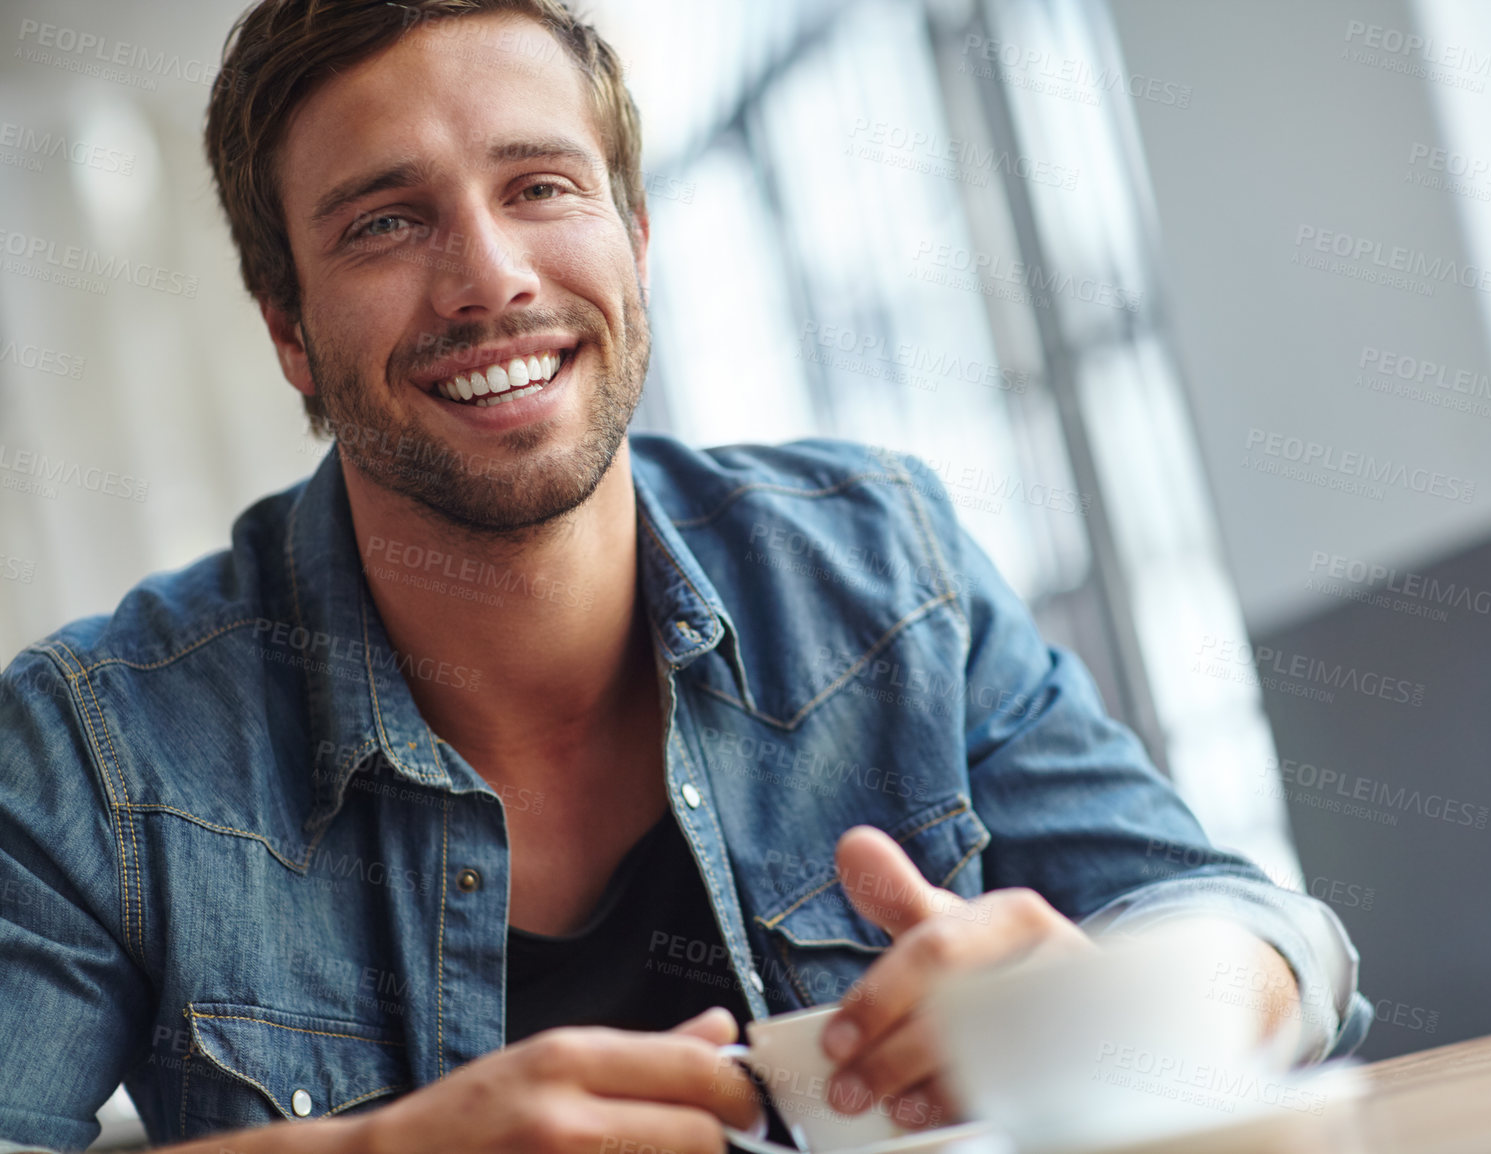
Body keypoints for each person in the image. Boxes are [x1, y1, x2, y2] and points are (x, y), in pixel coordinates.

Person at [0, 1, 1370, 1151]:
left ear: (635, 238)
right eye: (384, 224)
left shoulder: (878, 558)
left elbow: (1244, 925)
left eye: (540, 187)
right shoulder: (88, 748)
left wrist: (1136, 1008)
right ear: (289, 330)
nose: (489, 279)